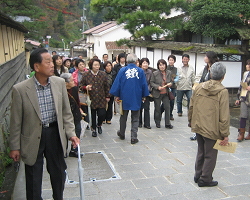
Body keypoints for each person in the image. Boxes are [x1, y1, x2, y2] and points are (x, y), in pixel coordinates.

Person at [9, 48, 79, 199]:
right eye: (47, 62)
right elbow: (15, 121)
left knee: (58, 172)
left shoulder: (59, 83)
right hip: (32, 136)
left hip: (54, 134)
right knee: (33, 177)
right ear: (36, 67)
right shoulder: (20, 89)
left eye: (52, 61)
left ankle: (58, 197)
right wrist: (15, 146)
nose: (52, 65)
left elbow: (66, 113)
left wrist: (71, 134)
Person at [188, 62, 229, 187]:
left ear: (210, 73)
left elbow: (191, 106)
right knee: (210, 154)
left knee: (201, 150)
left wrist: (191, 121)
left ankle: (197, 174)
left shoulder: (199, 87)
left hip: (198, 125)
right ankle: (205, 178)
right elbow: (224, 115)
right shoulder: (222, 91)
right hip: (212, 128)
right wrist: (225, 134)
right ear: (223, 76)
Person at [110, 53, 149, 144]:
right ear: (136, 61)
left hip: (124, 96)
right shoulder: (140, 71)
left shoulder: (122, 70)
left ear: (127, 60)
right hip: (136, 96)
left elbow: (118, 84)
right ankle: (133, 137)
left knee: (123, 116)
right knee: (135, 117)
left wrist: (117, 95)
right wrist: (144, 96)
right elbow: (144, 84)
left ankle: (122, 133)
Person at [190, 51, 219, 140]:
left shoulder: (215, 68)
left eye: (206, 56)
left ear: (210, 58)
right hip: (202, 92)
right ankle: (197, 132)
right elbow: (202, 79)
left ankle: (208, 132)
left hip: (211, 94)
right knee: (199, 113)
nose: (204, 58)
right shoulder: (205, 68)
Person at [80, 58, 110, 137]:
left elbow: (106, 86)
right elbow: (80, 86)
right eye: (95, 65)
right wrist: (86, 87)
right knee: (92, 114)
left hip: (101, 97)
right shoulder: (86, 75)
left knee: (102, 114)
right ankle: (93, 129)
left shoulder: (103, 74)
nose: (97, 66)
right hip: (91, 98)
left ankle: (99, 124)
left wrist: (107, 96)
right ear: (91, 66)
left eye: (98, 65)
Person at [60, 73, 84, 157]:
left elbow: (77, 100)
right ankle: (63, 150)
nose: (74, 80)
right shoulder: (60, 91)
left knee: (78, 130)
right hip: (65, 115)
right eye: (71, 80)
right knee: (65, 133)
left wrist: (80, 108)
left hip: (75, 112)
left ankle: (74, 149)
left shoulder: (74, 88)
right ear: (65, 83)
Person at [150, 59, 173, 129]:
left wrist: (170, 84)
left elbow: (172, 81)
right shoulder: (155, 73)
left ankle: (167, 123)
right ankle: (157, 122)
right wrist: (157, 87)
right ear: (158, 66)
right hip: (157, 93)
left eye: (163, 65)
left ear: (165, 65)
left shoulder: (169, 73)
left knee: (167, 107)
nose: (162, 66)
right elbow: (151, 82)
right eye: (160, 65)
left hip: (165, 93)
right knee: (157, 108)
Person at [235, 59, 250, 141]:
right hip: (244, 97)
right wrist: (238, 98)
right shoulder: (245, 74)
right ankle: (241, 134)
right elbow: (241, 85)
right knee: (243, 116)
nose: (247, 66)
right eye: (247, 64)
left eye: (248, 64)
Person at [139, 58, 152, 129]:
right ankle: (139, 122)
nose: (145, 64)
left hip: (147, 92)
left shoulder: (150, 72)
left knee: (147, 108)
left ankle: (147, 124)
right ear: (141, 64)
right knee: (139, 108)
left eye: (146, 63)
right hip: (139, 92)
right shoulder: (138, 71)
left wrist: (148, 90)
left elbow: (151, 82)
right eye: (144, 63)